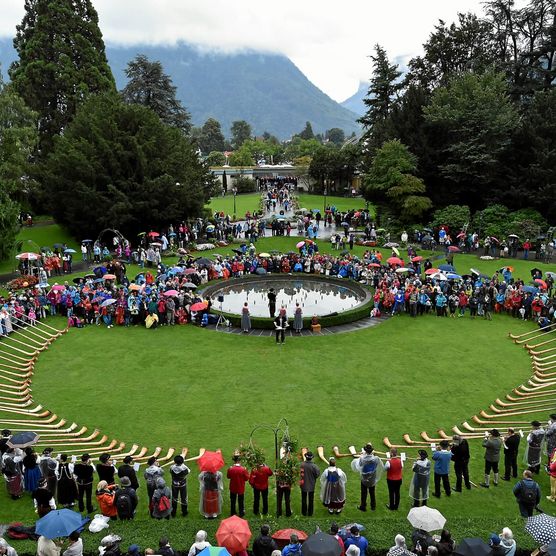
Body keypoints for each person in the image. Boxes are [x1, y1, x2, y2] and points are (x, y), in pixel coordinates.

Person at [352, 443, 383, 511]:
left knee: (364, 493)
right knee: (372, 492)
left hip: (364, 478)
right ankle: (373, 506)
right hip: (372, 478)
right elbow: (379, 465)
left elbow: (358, 465)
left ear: (365, 451)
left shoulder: (362, 458)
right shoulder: (376, 458)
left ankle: (363, 506)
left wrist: (362, 455)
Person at [299, 451, 320, 516]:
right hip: (311, 484)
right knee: (311, 499)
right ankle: (310, 513)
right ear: (311, 458)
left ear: (306, 457)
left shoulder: (302, 465)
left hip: (303, 484)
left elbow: (300, 473)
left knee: (303, 499)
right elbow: (317, 474)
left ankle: (304, 512)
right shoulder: (314, 466)